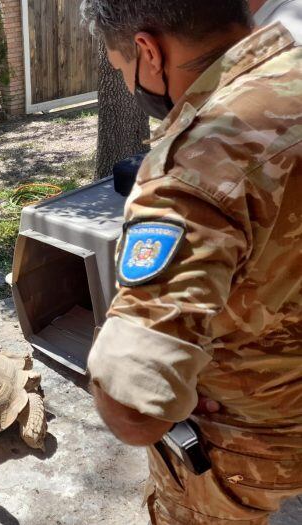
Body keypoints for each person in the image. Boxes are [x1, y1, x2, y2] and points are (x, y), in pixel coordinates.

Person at [80, 1, 302, 523]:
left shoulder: (198, 161)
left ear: (148, 52)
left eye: (122, 70)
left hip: (252, 448)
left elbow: (135, 409)